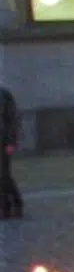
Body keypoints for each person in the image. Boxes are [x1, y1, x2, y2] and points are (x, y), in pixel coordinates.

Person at [1, 85, 22, 220]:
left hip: (3, 141)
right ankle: (4, 207)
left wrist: (11, 142)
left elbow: (12, 120)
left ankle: (15, 203)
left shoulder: (4, 95)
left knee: (4, 176)